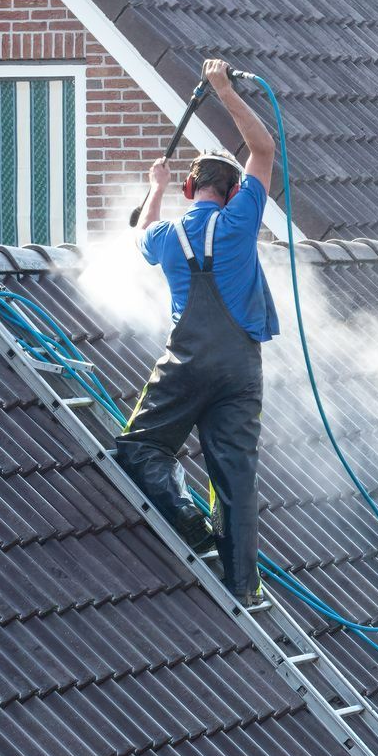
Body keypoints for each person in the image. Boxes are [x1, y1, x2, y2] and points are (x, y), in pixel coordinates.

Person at [116, 57, 279, 606]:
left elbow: (139, 231)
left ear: (191, 189)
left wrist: (154, 187)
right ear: (235, 193)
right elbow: (263, 150)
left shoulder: (165, 236)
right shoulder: (240, 222)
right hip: (240, 369)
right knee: (235, 477)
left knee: (140, 448)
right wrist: (224, 91)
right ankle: (244, 587)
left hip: (185, 365)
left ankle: (187, 521)